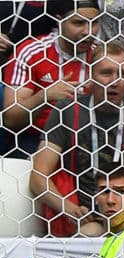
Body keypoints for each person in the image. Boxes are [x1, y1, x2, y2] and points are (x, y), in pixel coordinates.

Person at [30, 42, 124, 237]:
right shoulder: (68, 110)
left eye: (123, 74)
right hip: (94, 215)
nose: (115, 81)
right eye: (106, 73)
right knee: (87, 239)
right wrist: (69, 209)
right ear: (90, 75)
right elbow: (38, 177)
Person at [1, 0, 100, 159]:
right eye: (78, 23)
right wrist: (45, 96)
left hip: (88, 138)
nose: (88, 31)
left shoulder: (100, 57)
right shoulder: (31, 52)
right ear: (59, 20)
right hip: (37, 138)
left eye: (94, 23)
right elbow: (11, 119)